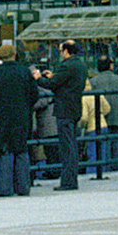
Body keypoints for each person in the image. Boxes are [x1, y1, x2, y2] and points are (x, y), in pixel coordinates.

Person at [0, 42, 35, 197]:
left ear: (0, 57)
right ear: (14, 55)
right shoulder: (24, 72)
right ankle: (23, 187)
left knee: (4, 151)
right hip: (21, 118)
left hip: (2, 119)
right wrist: (26, 109)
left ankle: (5, 188)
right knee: (21, 150)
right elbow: (34, 95)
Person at [50, 40, 87, 190]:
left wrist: (39, 78)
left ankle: (68, 181)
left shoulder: (67, 66)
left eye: (60, 51)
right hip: (75, 107)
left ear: (66, 51)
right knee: (72, 144)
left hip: (64, 109)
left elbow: (53, 84)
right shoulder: (80, 65)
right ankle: (72, 179)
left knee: (67, 147)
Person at [84, 56, 118, 175]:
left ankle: (106, 170)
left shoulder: (93, 82)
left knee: (104, 147)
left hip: (101, 118)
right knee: (117, 145)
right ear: (110, 66)